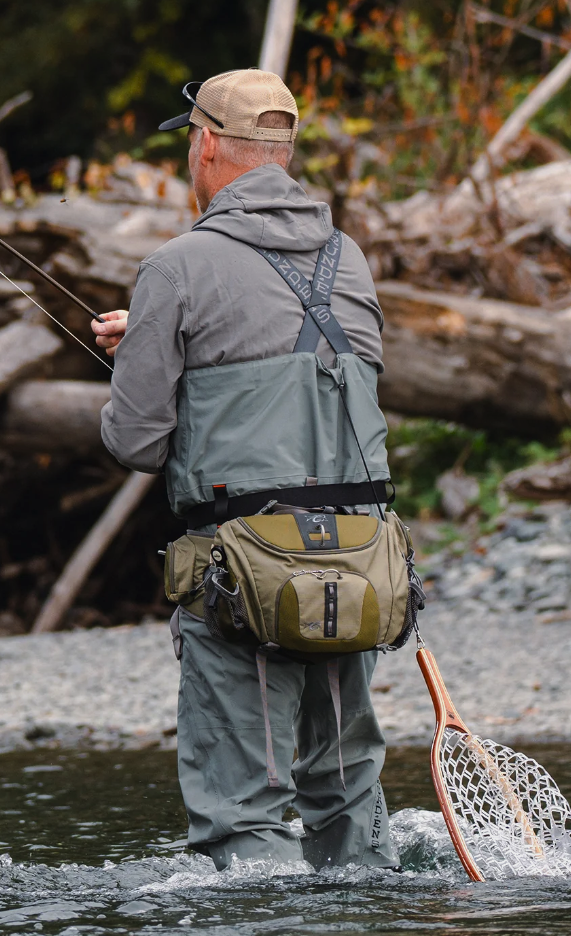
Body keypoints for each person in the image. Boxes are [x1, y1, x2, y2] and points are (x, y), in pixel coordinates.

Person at [93, 69, 398, 871]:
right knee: (345, 790)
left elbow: (135, 442)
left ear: (204, 147)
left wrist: (143, 357)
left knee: (244, 809)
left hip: (245, 576)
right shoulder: (349, 259)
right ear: (281, 151)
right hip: (361, 567)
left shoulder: (175, 268)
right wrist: (161, 341)